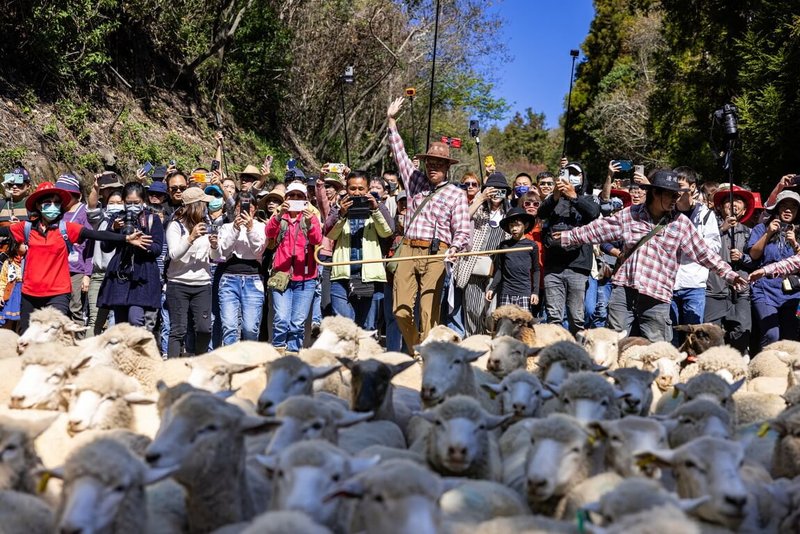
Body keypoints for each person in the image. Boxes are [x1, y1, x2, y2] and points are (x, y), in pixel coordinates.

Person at [557, 169, 747, 342]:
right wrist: (567, 236)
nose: (676, 199)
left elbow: (704, 253)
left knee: (658, 348)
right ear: (655, 193)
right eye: (671, 194)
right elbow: (599, 229)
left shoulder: (681, 224)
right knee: (613, 342)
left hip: (657, 296)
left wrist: (730, 275)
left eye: (678, 194)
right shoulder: (629, 215)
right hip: (624, 290)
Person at [0, 182, 150, 332]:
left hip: (58, 294)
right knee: (29, 337)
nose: (53, 206)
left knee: (55, 337)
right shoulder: (25, 228)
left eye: (56, 202)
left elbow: (96, 234)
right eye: (48, 202)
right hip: (29, 294)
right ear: (38, 206)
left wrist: (125, 238)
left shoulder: (66, 228)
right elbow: (3, 231)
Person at [386, 96, 471, 351]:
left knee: (428, 312)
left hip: (438, 253)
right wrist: (391, 121)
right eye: (430, 163)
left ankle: (426, 353)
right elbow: (399, 152)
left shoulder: (457, 193)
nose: (433, 167)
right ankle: (417, 347)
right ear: (425, 164)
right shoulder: (414, 181)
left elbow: (463, 230)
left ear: (447, 168)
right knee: (400, 310)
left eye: (439, 164)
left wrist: (456, 248)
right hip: (408, 249)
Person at [538, 161, 600, 333]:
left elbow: (594, 213)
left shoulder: (589, 198)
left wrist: (574, 197)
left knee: (577, 317)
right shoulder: (553, 199)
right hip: (553, 267)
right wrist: (556, 195)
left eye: (575, 174)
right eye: (567, 174)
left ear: (582, 178)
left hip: (578, 265)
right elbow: (541, 213)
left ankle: (577, 353)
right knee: (554, 318)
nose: (570, 178)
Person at [325, 171, 394, 328]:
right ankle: (346, 353)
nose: (356, 192)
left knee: (364, 326)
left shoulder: (378, 207)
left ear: (368, 189)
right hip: (341, 274)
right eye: (352, 188)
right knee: (343, 325)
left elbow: (387, 232)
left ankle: (360, 353)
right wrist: (341, 214)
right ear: (346, 188)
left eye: (361, 189)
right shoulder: (338, 208)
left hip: (368, 275)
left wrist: (375, 210)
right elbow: (330, 234)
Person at [97, 182, 164, 329]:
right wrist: (114, 230)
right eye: (129, 203)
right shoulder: (117, 218)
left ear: (144, 201)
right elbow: (105, 247)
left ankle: (138, 348)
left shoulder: (152, 219)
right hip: (120, 273)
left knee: (136, 318)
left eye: (136, 203)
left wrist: (142, 244)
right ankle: (124, 350)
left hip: (143, 274)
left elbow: (158, 248)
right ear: (123, 202)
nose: (132, 207)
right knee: (121, 323)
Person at [265, 182, 322, 354]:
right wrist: (279, 215)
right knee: (281, 318)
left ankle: (293, 354)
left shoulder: (311, 217)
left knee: (297, 322)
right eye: (292, 196)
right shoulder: (280, 217)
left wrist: (310, 221)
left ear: (306, 200)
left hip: (306, 277)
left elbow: (317, 240)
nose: (295, 199)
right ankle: (277, 353)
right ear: (286, 198)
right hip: (281, 275)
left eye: (300, 196)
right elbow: (269, 234)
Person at [452, 172, 511, 336]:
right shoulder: (480, 210)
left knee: (492, 312)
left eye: (501, 190)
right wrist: (481, 199)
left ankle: (489, 341)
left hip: (497, 271)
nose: (496, 194)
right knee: (472, 309)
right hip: (474, 267)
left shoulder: (508, 215)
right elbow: (463, 218)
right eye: (493, 190)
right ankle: (474, 342)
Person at [164, 187, 220, 357]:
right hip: (178, 284)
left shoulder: (207, 226)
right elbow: (174, 255)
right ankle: (173, 370)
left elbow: (215, 258)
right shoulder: (175, 226)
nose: (207, 207)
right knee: (178, 330)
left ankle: (198, 360)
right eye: (204, 204)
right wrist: (190, 238)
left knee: (204, 329)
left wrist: (214, 246)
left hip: (202, 284)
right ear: (195, 205)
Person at [670, 167, 720, 344]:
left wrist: (691, 245)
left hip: (694, 282)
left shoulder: (706, 216)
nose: (676, 190)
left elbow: (714, 246)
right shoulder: (668, 213)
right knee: (671, 333)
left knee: (693, 333)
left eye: (680, 185)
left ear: (692, 187)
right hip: (668, 281)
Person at [745, 189, 800, 348]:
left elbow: (797, 262)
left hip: (791, 291)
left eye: (793, 207)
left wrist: (795, 243)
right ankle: (765, 368)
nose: (788, 210)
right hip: (764, 287)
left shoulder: (797, 232)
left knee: (789, 338)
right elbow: (754, 255)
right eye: (784, 206)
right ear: (777, 207)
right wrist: (768, 233)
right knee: (771, 334)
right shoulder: (761, 228)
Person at [705, 186, 755, 354]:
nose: (733, 204)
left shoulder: (749, 232)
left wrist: (742, 258)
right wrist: (721, 230)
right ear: (720, 206)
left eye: (738, 201)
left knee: (741, 332)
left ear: (744, 209)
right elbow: (700, 250)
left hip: (740, 291)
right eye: (728, 201)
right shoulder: (709, 228)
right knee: (711, 335)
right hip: (714, 289)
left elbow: (757, 261)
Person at [217, 192, 267, 345]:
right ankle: (231, 363)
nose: (244, 211)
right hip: (228, 278)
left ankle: (249, 361)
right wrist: (235, 229)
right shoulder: (226, 227)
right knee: (229, 327)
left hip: (253, 278)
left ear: (255, 209)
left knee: (250, 328)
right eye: (240, 207)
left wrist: (250, 228)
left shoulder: (261, 227)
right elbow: (223, 251)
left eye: (248, 207)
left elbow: (259, 250)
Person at [55, 174, 93, 335]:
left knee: (76, 308)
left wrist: (87, 274)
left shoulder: (84, 211)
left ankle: (78, 345)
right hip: (57, 268)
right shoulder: (56, 212)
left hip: (77, 269)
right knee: (58, 310)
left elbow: (92, 244)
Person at [86, 190, 124, 336]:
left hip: (119, 277)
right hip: (99, 275)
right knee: (95, 320)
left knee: (116, 321)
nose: (115, 206)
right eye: (112, 203)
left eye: (119, 203)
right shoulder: (101, 220)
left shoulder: (130, 221)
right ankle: (88, 354)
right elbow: (91, 209)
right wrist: (95, 189)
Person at [486, 207, 540, 309]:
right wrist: (492, 288)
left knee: (523, 323)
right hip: (506, 291)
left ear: (526, 225)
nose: (514, 229)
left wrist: (535, 292)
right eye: (511, 225)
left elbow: (536, 270)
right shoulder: (504, 245)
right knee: (504, 322)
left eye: (518, 225)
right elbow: (500, 270)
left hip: (524, 292)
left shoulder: (532, 245)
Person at [0, 239, 26, 328]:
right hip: (11, 292)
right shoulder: (8, 262)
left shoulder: (29, 260)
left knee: (23, 319)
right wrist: (1, 295)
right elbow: (3, 280)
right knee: (8, 320)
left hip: (25, 291)